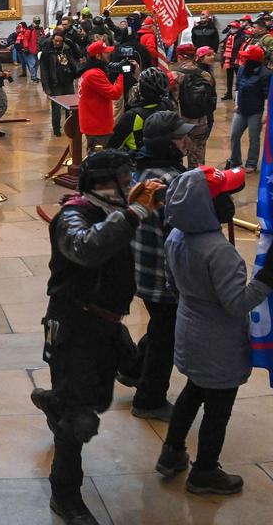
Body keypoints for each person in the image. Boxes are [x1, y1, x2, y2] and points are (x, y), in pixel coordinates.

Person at [29, 150, 165, 524]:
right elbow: (86, 248)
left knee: (101, 396)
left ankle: (55, 401)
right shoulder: (72, 216)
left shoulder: (110, 214)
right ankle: (65, 494)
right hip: (74, 326)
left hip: (105, 324)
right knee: (79, 420)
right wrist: (133, 213)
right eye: (122, 182)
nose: (128, 188)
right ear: (101, 186)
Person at [156, 165, 273, 495]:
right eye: (226, 196)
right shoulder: (220, 252)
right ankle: (205, 471)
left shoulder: (176, 236)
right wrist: (267, 277)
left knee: (192, 391)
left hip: (190, 328)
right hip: (218, 342)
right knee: (218, 409)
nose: (232, 202)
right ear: (209, 208)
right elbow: (238, 303)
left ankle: (172, 451)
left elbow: (172, 284)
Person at [127, 112, 192, 423]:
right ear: (165, 144)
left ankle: (134, 369)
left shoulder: (140, 171)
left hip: (141, 268)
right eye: (179, 137)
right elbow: (180, 231)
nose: (185, 140)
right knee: (167, 334)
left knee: (161, 325)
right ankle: (149, 399)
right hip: (162, 276)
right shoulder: (170, 182)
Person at [78, 40, 131, 150]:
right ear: (98, 56)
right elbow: (115, 94)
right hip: (97, 125)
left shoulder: (91, 71)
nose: (109, 55)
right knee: (99, 161)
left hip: (95, 122)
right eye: (106, 52)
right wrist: (121, 75)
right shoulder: (94, 74)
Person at [171, 44, 217, 168]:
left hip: (181, 123)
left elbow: (173, 103)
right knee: (198, 159)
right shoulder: (206, 75)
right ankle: (198, 181)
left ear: (180, 57)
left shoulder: (175, 76)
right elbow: (212, 100)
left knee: (175, 158)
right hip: (201, 121)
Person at [226, 43, 270, 171]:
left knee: (254, 138)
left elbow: (267, 96)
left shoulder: (266, 74)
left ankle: (251, 163)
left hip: (256, 111)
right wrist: (237, 104)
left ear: (254, 60)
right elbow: (238, 87)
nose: (244, 59)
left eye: (246, 57)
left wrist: (265, 114)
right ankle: (235, 161)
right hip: (241, 109)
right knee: (234, 135)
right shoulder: (241, 69)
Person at [108, 67, 173, 152]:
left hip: (139, 162)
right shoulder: (167, 105)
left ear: (141, 90)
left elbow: (113, 146)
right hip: (166, 159)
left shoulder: (131, 116)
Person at [39, 31, 77, 137]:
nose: (58, 43)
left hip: (68, 81)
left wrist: (72, 45)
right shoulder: (46, 53)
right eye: (56, 41)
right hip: (55, 84)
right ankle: (56, 129)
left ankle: (71, 126)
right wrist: (46, 87)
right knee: (56, 108)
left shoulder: (67, 50)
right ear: (52, 40)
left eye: (60, 41)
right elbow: (44, 71)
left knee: (72, 106)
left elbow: (75, 61)